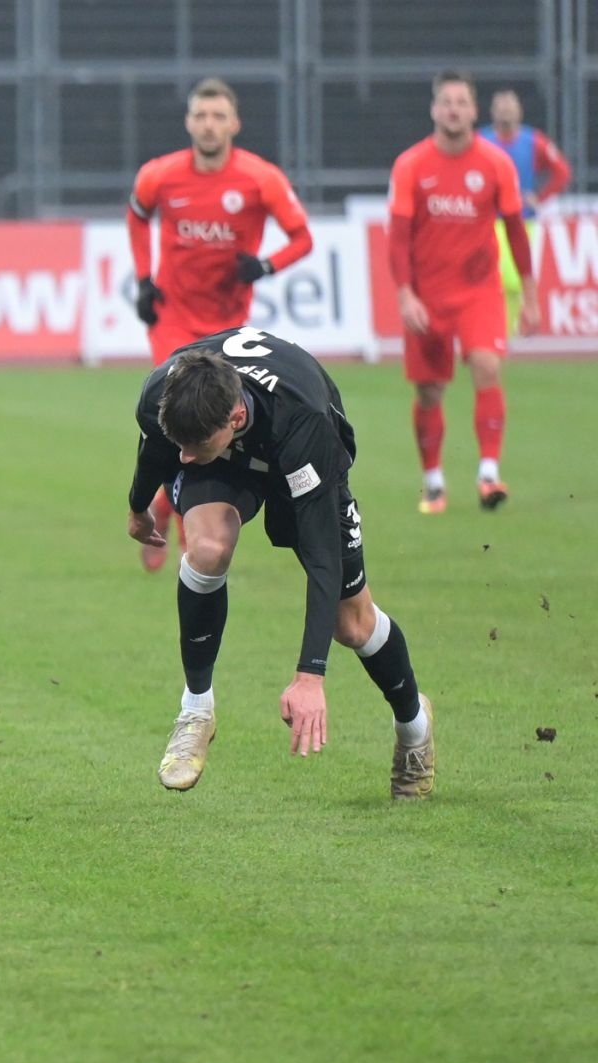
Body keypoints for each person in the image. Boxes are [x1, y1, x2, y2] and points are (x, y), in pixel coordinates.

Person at [126, 327, 434, 800]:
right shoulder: (164, 392)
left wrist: (310, 675)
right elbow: (161, 443)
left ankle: (414, 730)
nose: (183, 456)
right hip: (228, 455)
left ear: (235, 415)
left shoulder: (304, 422)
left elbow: (322, 560)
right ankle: (196, 711)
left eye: (194, 445)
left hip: (299, 458)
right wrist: (137, 503)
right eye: (180, 442)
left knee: (351, 625)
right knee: (206, 549)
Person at [127, 78, 314, 573]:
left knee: (209, 429)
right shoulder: (159, 175)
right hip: (174, 320)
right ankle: (194, 544)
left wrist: (266, 266)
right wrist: (144, 279)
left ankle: (165, 511)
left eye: (218, 116)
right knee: (176, 417)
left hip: (228, 331)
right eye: (200, 115)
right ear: (189, 122)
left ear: (234, 123)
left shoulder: (260, 178)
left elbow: (302, 238)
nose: (208, 124)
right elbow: (137, 214)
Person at [388, 70, 537, 515]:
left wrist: (530, 295)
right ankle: (434, 484)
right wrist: (405, 295)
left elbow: (516, 233)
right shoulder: (411, 164)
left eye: (462, 102)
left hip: (479, 292)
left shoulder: (495, 164)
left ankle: (489, 475)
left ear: (474, 111)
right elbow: (397, 238)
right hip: (427, 296)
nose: (453, 110)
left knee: (487, 366)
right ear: (434, 109)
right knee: (430, 391)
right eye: (446, 102)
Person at [479, 89, 571, 331]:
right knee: (495, 279)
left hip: (522, 221)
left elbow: (561, 171)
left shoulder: (533, 142)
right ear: (492, 112)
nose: (506, 113)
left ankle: (507, 331)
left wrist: (540, 198)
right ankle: (498, 330)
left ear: (519, 111)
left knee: (513, 279)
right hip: (488, 221)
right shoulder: (481, 141)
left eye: (510, 107)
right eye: (501, 108)